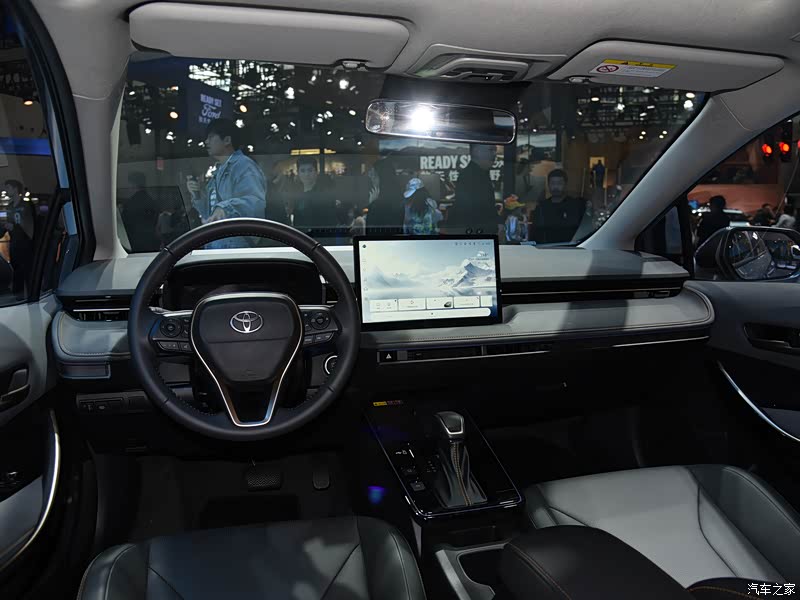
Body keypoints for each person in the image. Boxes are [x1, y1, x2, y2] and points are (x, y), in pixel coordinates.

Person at [186, 118, 266, 248]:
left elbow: (255, 202)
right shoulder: (218, 172)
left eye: (211, 137)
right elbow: (210, 215)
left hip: (235, 249)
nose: (206, 141)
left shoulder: (244, 165)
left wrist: (224, 208)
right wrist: (198, 195)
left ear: (227, 140)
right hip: (218, 246)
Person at [450, 144, 498, 234]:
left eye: (495, 150)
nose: (495, 154)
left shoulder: (479, 173)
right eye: (491, 150)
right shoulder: (471, 176)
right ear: (477, 152)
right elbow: (477, 211)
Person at [530, 169, 588, 244]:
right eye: (553, 183)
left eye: (559, 183)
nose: (556, 187)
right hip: (545, 248)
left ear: (565, 184)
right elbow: (535, 232)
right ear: (548, 185)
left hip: (571, 248)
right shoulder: (542, 207)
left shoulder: (575, 206)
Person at [3, 179, 35, 297]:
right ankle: (19, 293)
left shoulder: (26, 205)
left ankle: (31, 293)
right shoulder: (9, 207)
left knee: (27, 269)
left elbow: (30, 225)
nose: (6, 190)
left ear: (15, 189)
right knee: (17, 268)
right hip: (14, 242)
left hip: (25, 242)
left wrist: (15, 227)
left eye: (8, 188)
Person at [291, 156, 338, 233]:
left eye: (310, 170)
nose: (306, 174)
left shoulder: (324, 196)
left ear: (316, 172)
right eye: (302, 171)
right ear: (298, 173)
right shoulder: (298, 195)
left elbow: (329, 222)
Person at [122, 172, 160, 251]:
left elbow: (124, 225)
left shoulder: (130, 204)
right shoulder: (151, 201)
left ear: (132, 184)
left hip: (135, 244)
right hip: (152, 243)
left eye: (129, 184)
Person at [365, 158, 403, 232]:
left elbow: (372, 231)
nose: (372, 179)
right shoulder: (398, 197)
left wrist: (372, 204)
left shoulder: (383, 203)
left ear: (383, 178)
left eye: (374, 175)